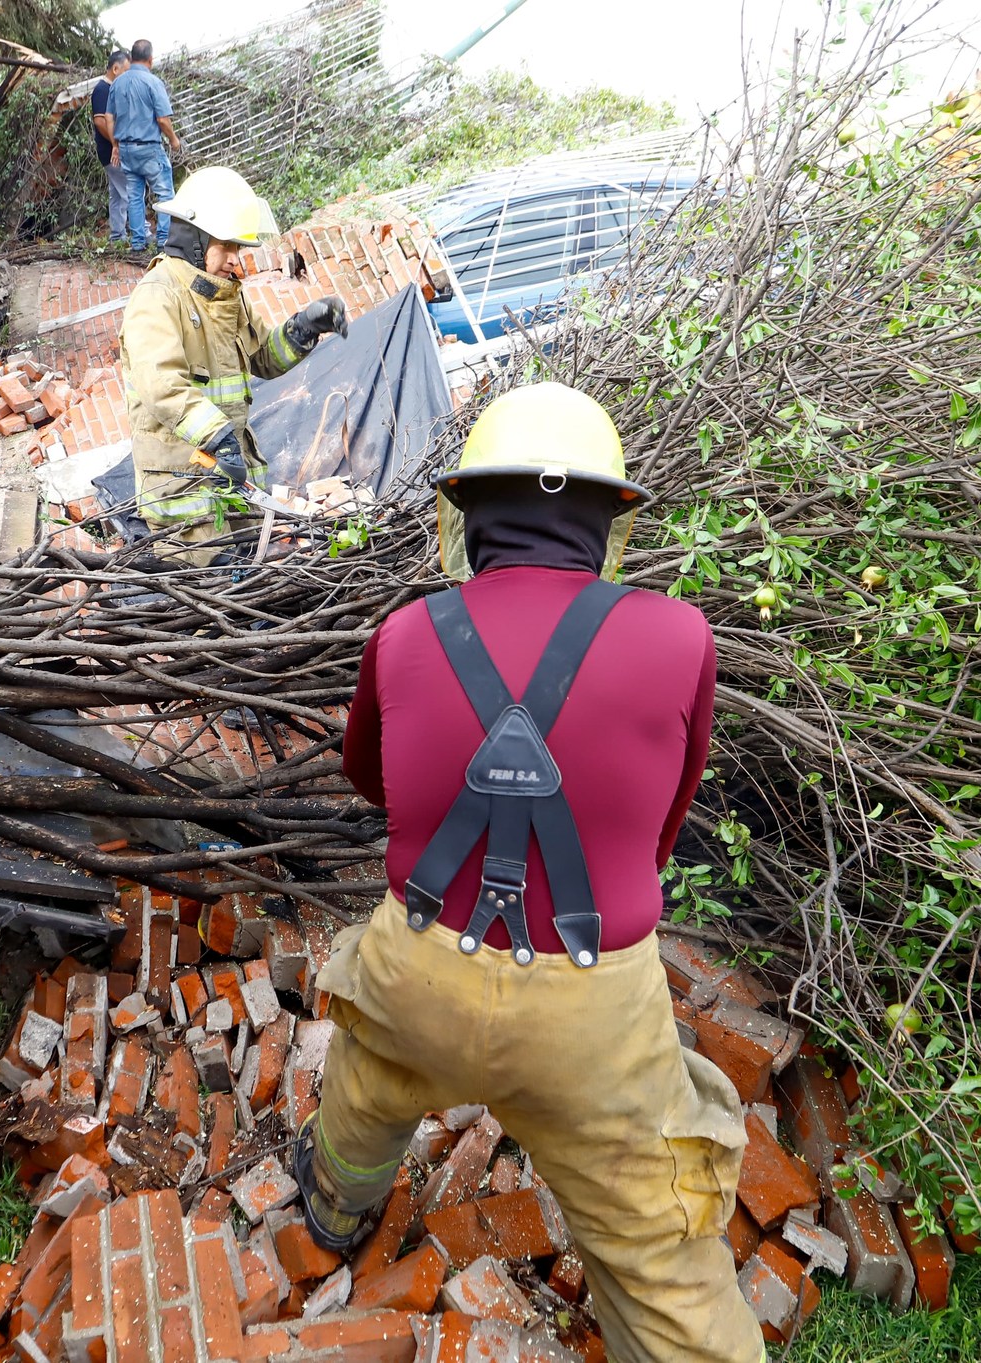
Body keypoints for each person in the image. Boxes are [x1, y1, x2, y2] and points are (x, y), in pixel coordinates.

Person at [292, 383, 763, 1363]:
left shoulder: (404, 633)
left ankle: (335, 1208)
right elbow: (661, 827)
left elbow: (368, 779)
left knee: (366, 1080)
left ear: (462, 517)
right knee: (659, 1242)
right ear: (609, 526)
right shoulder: (681, 638)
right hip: (592, 1012)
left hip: (419, 970)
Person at [118, 166, 347, 560]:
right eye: (226, 246)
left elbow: (263, 356)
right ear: (194, 238)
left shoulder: (223, 296)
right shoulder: (157, 297)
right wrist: (219, 438)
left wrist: (306, 327)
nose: (234, 261)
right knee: (206, 604)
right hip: (184, 496)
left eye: (238, 249)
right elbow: (162, 385)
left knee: (245, 592)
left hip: (230, 486)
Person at [106, 40, 184, 254]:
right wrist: (174, 140)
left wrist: (115, 144)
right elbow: (162, 120)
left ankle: (138, 243)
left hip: (127, 150)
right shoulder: (152, 82)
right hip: (149, 148)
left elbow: (109, 118)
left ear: (131, 58)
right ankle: (164, 242)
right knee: (165, 194)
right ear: (150, 59)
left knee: (134, 196)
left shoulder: (117, 84)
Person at [92, 50, 132, 245]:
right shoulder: (102, 90)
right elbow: (100, 121)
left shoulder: (112, 88)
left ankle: (117, 236)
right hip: (111, 152)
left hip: (109, 151)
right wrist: (117, 143)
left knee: (117, 195)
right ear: (115, 69)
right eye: (126, 70)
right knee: (131, 190)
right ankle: (143, 233)